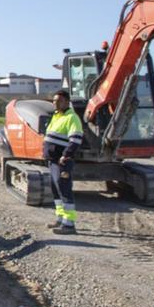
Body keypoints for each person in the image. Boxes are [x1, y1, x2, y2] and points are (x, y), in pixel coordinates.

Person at [44, 89, 83, 234]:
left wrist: (66, 156)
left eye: (59, 101)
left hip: (62, 162)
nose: (55, 103)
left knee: (64, 190)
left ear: (67, 102)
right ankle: (60, 219)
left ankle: (69, 224)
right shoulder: (56, 116)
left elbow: (76, 139)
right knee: (56, 191)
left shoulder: (72, 117)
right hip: (53, 161)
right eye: (54, 101)